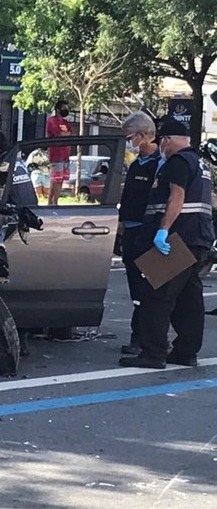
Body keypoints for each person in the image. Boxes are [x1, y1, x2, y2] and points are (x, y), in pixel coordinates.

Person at [119, 118, 215, 369]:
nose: (162, 147)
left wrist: (162, 231)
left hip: (177, 240)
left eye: (163, 142)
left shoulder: (178, 162)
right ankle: (185, 352)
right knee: (188, 297)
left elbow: (177, 196)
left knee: (154, 295)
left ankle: (153, 353)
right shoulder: (200, 163)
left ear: (168, 140)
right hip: (198, 239)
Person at [117, 111, 162, 356]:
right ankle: (140, 336)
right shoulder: (136, 164)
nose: (128, 143)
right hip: (132, 232)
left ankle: (147, 338)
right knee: (136, 289)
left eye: (130, 137)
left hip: (150, 233)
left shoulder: (160, 164)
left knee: (150, 289)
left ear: (143, 136)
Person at [45, 100, 73, 205]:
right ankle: (53, 202)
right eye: (64, 108)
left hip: (66, 155)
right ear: (58, 109)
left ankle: (53, 201)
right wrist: (65, 134)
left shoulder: (66, 123)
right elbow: (59, 134)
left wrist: (65, 133)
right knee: (56, 180)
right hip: (56, 155)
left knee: (60, 180)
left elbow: (70, 133)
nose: (66, 110)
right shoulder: (52, 121)